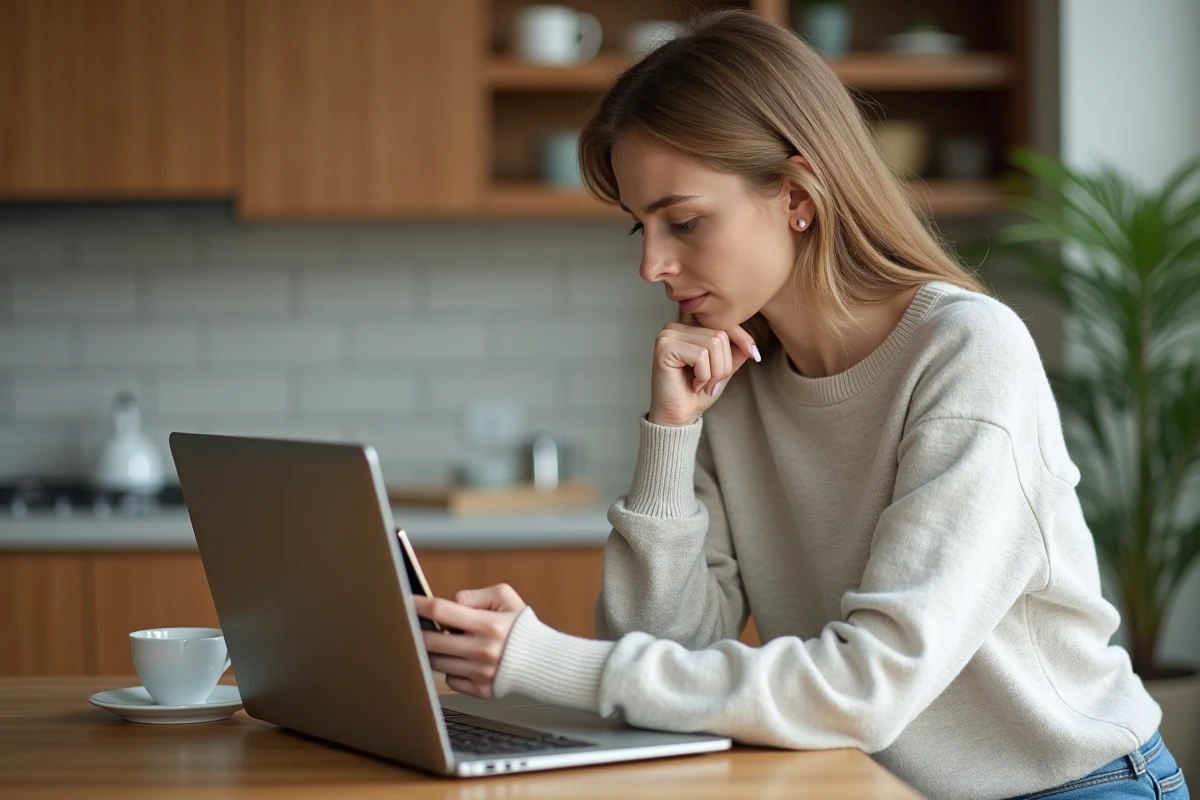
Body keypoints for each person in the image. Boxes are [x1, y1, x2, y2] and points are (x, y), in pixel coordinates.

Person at [413, 9, 1189, 800]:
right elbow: (659, 656)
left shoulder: (966, 352)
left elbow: (865, 689)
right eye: (639, 228)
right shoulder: (733, 377)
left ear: (797, 194)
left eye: (682, 221)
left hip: (1069, 787)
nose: (652, 263)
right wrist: (670, 436)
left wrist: (544, 660)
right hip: (871, 785)